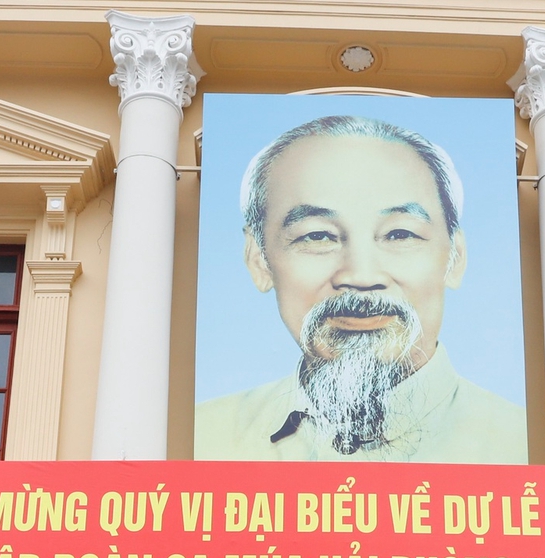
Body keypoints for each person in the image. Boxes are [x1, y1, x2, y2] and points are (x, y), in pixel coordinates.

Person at [195, 114, 526, 464]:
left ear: (455, 258)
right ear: (258, 259)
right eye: (317, 235)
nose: (361, 275)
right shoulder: (205, 441)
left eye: (400, 234)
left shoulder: (517, 446)